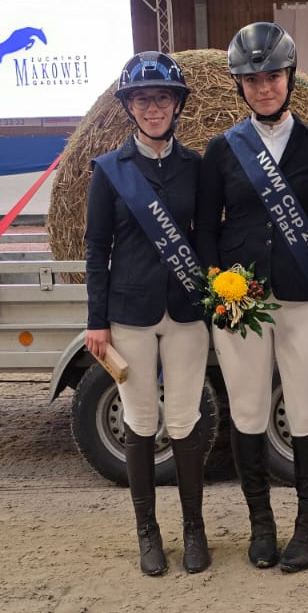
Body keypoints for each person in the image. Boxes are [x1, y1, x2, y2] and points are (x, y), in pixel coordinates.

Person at [194, 22, 308, 573]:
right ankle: (261, 525)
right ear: (240, 85)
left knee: (307, 414)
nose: (264, 87)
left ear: (290, 78)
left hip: (305, 298)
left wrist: (305, 235)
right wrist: (219, 281)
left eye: (273, 76)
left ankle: (307, 527)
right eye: (253, 79)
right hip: (240, 303)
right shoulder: (222, 150)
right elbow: (206, 226)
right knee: (246, 411)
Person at [84, 51, 211, 576]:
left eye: (162, 97)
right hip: (130, 314)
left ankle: (194, 529)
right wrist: (96, 320)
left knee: (183, 421)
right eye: (142, 98)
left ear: (177, 104)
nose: (153, 107)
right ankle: (147, 533)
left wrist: (221, 294)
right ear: (129, 107)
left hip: (186, 313)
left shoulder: (197, 168)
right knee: (140, 423)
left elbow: (206, 238)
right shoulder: (110, 172)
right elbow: (96, 249)